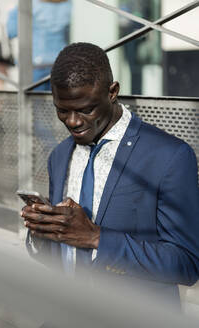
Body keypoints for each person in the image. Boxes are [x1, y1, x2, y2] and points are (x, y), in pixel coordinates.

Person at [21, 42, 199, 304]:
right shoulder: (59, 156)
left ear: (113, 91)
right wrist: (43, 232)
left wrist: (96, 238)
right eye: (62, 110)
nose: (72, 121)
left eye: (85, 109)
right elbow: (59, 261)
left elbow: (187, 264)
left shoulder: (170, 156)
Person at [6, 0, 71, 91]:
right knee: (60, 103)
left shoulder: (28, 4)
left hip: (35, 64)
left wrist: (11, 11)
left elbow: (11, 31)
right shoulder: (69, 4)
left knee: (33, 103)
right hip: (62, 63)